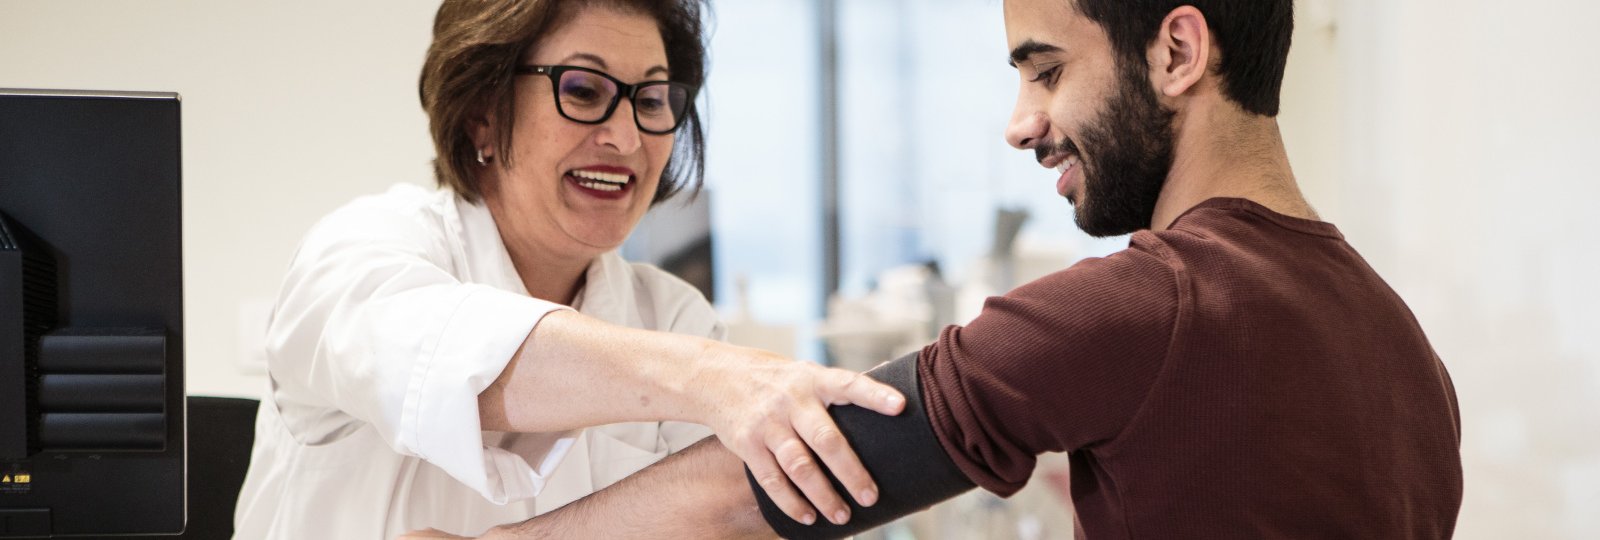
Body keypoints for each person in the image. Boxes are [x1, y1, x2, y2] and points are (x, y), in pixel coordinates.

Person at [405, 0, 1465, 538]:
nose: (1021, 124)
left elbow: (776, 475)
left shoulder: (1152, 304)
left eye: (1046, 70)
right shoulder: (1399, 345)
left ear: (1177, 52)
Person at [230, 1, 906, 538]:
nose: (626, 137)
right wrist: (714, 379)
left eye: (651, 100)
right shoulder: (360, 251)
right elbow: (456, 361)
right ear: (481, 118)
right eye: (583, 91)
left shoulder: (668, 315)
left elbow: (731, 510)